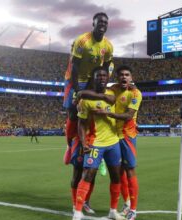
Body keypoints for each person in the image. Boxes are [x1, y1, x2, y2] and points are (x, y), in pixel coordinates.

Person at [63, 12, 113, 214]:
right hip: (76, 80)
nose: (102, 24)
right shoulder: (82, 41)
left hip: (93, 80)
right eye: (99, 21)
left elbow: (107, 66)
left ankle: (94, 143)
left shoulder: (108, 46)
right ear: (93, 23)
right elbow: (74, 68)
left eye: (105, 22)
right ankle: (70, 146)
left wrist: (102, 85)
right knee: (73, 112)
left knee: (93, 113)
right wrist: (76, 90)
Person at [72, 67, 123, 220]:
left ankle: (113, 210)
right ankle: (78, 211)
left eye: (104, 75)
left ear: (108, 78)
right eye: (98, 76)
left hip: (113, 142)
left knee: (116, 177)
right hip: (95, 143)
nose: (101, 78)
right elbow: (81, 123)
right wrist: (83, 142)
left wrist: (81, 92)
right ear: (93, 78)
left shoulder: (112, 94)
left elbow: (112, 99)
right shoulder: (85, 100)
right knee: (88, 174)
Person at [93, 65, 142, 220]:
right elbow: (100, 87)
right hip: (113, 135)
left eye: (127, 75)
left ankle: (133, 209)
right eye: (121, 75)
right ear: (117, 77)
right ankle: (127, 204)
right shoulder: (113, 88)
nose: (124, 77)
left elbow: (128, 116)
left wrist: (108, 113)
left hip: (127, 136)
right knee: (118, 173)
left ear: (131, 77)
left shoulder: (135, 93)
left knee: (130, 171)